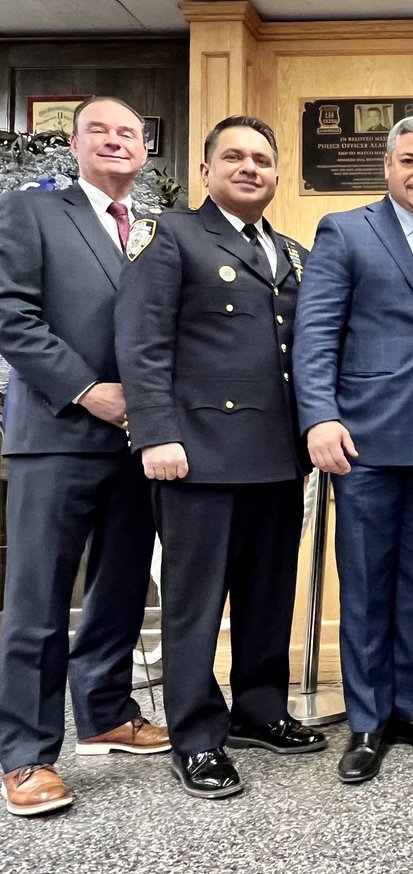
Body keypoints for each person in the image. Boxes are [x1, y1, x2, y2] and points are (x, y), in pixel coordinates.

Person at [115, 115, 326, 799]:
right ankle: (197, 736)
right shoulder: (173, 236)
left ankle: (259, 710)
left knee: (268, 597)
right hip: (196, 456)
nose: (250, 168)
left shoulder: (291, 251)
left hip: (275, 455)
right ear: (205, 170)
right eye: (233, 156)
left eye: (262, 159)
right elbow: (143, 339)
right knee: (195, 605)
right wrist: (155, 433)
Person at [294, 116, 413, 784]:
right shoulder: (346, 231)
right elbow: (316, 334)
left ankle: (411, 704)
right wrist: (319, 416)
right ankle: (369, 720)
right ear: (387, 165)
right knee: (368, 585)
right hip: (366, 441)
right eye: (409, 160)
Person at [0, 96, 168, 817]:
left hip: (137, 443)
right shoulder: (31, 213)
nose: (115, 141)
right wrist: (84, 389)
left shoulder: (154, 231)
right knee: (38, 600)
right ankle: (26, 755)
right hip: (57, 434)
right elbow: (11, 315)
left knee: (120, 589)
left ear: (144, 149)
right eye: (99, 130)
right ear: (73, 144)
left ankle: (104, 714)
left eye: (128, 132)